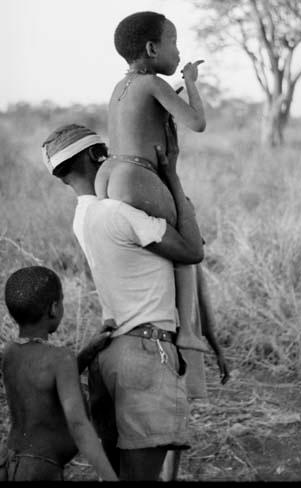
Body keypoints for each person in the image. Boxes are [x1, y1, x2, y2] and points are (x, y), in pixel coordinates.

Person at [42, 120, 204, 481]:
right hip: (146, 356)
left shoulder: (82, 217)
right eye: (103, 153)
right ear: (92, 156)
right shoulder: (117, 213)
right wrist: (172, 179)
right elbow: (193, 251)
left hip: (109, 357)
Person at [95, 11, 207, 353]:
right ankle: (186, 331)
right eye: (173, 42)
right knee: (188, 235)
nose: (178, 51)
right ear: (151, 48)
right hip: (136, 174)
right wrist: (190, 82)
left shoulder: (122, 85)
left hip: (109, 173)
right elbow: (197, 122)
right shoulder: (153, 83)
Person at [0, 266, 118, 482]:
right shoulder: (61, 358)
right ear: (54, 308)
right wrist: (109, 477)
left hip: (6, 463)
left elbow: (43, 384)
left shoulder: (9, 352)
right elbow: (79, 425)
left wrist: (86, 354)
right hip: (38, 470)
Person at [160, 262, 230, 481]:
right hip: (159, 343)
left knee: (173, 422)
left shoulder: (188, 255)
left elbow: (202, 304)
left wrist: (218, 349)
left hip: (175, 345)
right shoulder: (174, 249)